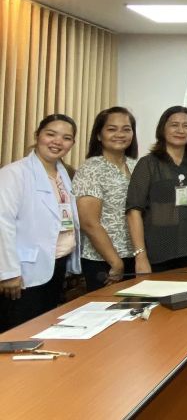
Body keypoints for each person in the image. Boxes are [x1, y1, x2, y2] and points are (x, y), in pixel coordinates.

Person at [0, 114, 81, 331]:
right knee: (20, 330)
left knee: (44, 327)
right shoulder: (14, 174)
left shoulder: (64, 174)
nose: (57, 142)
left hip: (57, 263)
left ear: (72, 143)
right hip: (23, 270)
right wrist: (7, 272)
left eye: (66, 138)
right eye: (50, 134)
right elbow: (2, 223)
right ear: (37, 136)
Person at [126, 106, 187, 273]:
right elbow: (134, 211)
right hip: (158, 253)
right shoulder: (148, 164)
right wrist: (140, 255)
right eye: (174, 125)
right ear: (163, 128)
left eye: (186, 125)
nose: (180, 130)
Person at [73, 107, 138, 292]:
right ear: (99, 135)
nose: (120, 134)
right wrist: (115, 262)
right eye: (112, 129)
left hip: (135, 255)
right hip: (104, 261)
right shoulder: (91, 169)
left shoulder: (137, 166)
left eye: (126, 129)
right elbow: (89, 223)